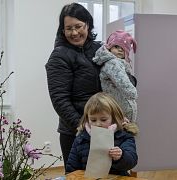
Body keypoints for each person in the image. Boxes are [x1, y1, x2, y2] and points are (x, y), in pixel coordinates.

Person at [45, 3, 102, 166]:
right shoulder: (59, 56)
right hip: (75, 132)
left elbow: (121, 77)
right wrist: (83, 126)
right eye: (69, 28)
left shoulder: (101, 49)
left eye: (78, 26)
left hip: (105, 128)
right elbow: (60, 100)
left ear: (88, 25)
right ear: (62, 31)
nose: (74, 32)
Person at [66, 92, 138, 176]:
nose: (98, 124)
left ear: (114, 118)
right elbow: (71, 170)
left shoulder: (123, 136)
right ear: (87, 119)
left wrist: (120, 156)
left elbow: (131, 162)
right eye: (93, 120)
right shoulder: (81, 139)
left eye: (103, 120)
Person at [92, 30, 138, 123]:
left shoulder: (118, 62)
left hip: (119, 110)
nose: (120, 50)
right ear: (109, 47)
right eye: (116, 46)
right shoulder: (113, 63)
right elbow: (123, 82)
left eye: (124, 48)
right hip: (117, 110)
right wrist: (133, 93)